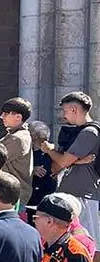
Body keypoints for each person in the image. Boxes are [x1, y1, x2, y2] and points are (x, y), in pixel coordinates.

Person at [40, 92, 100, 247]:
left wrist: (49, 150)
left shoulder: (89, 132)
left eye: (65, 111)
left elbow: (63, 161)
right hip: (67, 194)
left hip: (84, 195)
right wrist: (77, 161)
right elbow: (56, 166)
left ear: (74, 109)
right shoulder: (72, 133)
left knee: (88, 242)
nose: (63, 115)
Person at [0, 98, 34, 206]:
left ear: (18, 117)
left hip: (10, 197)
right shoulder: (16, 134)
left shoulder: (18, 138)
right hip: (9, 194)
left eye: (5, 114)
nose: (1, 116)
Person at [29, 120, 58, 208]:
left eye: (44, 140)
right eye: (39, 140)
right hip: (30, 193)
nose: (42, 143)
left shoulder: (51, 150)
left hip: (47, 192)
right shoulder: (26, 150)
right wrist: (32, 169)